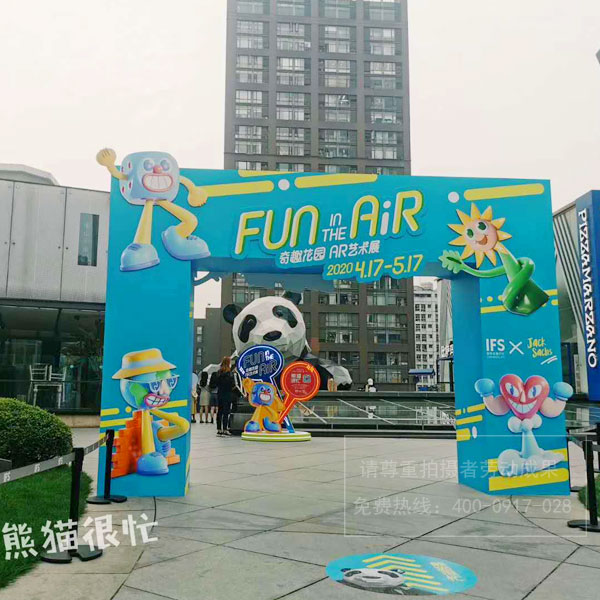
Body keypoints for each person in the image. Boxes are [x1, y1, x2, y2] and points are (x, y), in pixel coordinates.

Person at [214, 357, 235, 436]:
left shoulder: (218, 373)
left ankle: (219, 429)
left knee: (220, 412)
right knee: (226, 412)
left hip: (220, 394)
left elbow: (216, 383)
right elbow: (232, 384)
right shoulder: (230, 373)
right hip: (228, 394)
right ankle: (225, 429)